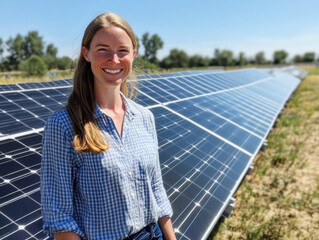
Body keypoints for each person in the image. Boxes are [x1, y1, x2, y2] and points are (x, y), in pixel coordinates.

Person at [40, 12, 176, 240]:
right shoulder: (63, 126)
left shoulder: (144, 117)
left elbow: (157, 191)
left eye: (122, 50)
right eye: (103, 49)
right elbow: (60, 218)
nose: (114, 60)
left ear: (133, 55)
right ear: (87, 53)